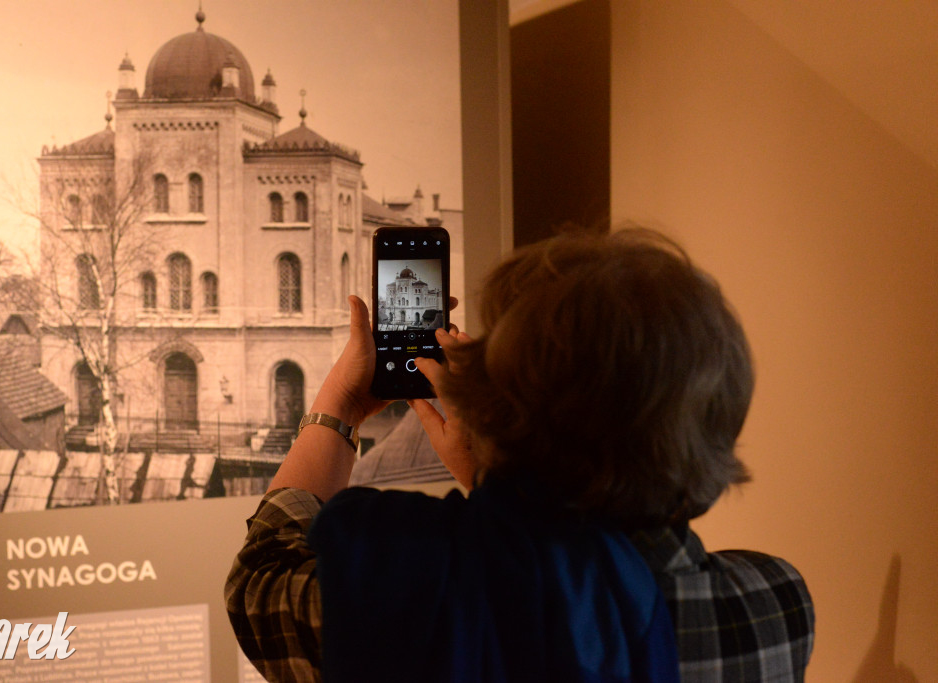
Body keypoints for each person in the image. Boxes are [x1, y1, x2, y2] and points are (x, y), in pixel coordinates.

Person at [225, 227, 814, 682]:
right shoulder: (773, 604)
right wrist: (501, 474)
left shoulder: (420, 604)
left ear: (497, 408)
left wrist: (342, 407)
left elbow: (259, 584)